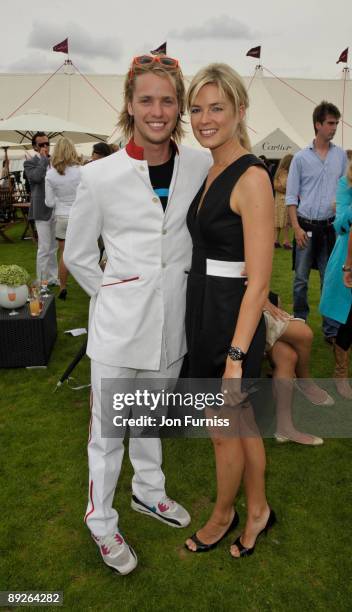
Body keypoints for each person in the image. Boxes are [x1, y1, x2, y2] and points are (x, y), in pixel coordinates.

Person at [64, 53, 211, 575]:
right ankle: (100, 521)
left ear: (179, 107)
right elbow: (77, 254)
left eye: (168, 100)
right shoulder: (99, 175)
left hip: (172, 329)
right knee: (106, 437)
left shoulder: (199, 164)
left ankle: (149, 492)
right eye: (146, 99)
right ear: (129, 103)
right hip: (116, 331)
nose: (158, 110)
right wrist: (113, 294)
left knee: (149, 422)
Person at [184, 63, 275, 559]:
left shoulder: (253, 176)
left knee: (224, 431)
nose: (204, 118)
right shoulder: (210, 167)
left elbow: (259, 280)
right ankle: (258, 508)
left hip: (231, 323)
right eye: (196, 109)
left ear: (240, 111)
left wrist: (236, 358)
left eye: (216, 107)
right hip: (207, 311)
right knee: (243, 427)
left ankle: (224, 516)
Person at [286, 101, 347, 342]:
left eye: (336, 123)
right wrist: (297, 227)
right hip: (305, 227)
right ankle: (299, 323)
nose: (334, 128)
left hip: (331, 227)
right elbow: (291, 197)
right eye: (330, 123)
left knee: (329, 280)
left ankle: (330, 331)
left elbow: (345, 191)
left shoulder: (341, 156)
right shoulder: (300, 158)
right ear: (318, 125)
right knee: (301, 280)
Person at [263, 293, 333, 446]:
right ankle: (305, 382)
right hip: (241, 311)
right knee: (304, 333)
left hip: (253, 305)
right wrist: (264, 300)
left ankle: (284, 429)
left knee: (288, 357)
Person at [320, 161, 352, 398]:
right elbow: (340, 225)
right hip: (347, 257)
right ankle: (340, 374)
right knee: (350, 317)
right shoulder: (345, 184)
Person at [45, 137, 82, 300]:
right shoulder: (82, 171)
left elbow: (49, 202)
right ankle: (90, 284)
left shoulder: (51, 175)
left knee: (65, 254)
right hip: (80, 215)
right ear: (72, 150)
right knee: (86, 252)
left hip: (61, 216)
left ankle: (62, 286)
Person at [24, 132, 58, 285]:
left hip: (56, 209)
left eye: (47, 144)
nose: (45, 147)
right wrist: (44, 160)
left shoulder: (55, 161)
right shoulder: (30, 163)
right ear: (34, 147)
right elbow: (37, 178)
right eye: (41, 145)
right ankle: (42, 279)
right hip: (41, 209)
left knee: (54, 247)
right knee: (44, 247)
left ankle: (52, 278)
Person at [273, 154, 293, 249]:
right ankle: (286, 241)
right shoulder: (285, 173)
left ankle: (275, 240)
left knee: (278, 221)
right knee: (285, 222)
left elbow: (276, 185)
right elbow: (285, 185)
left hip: (278, 200)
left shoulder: (278, 172)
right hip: (284, 200)